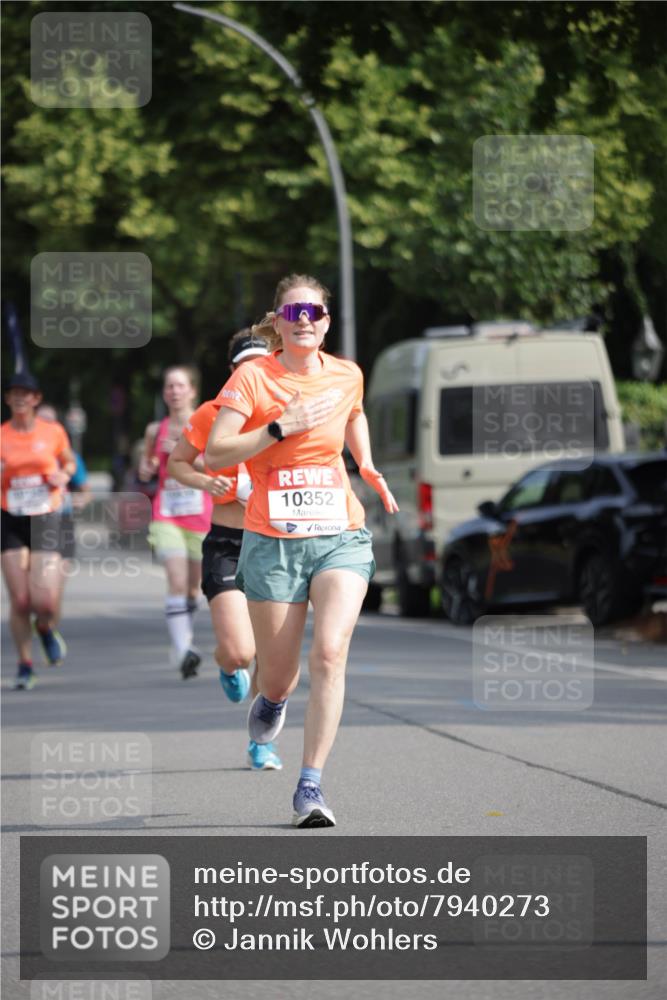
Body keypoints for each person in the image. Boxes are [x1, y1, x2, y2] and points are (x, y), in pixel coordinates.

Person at [205, 274, 398, 827]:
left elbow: (354, 411)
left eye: (314, 312)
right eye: (294, 313)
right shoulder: (252, 378)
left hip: (340, 534)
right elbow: (218, 452)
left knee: (331, 654)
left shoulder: (346, 374)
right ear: (279, 322)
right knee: (279, 676)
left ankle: (309, 787)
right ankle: (270, 701)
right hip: (273, 543)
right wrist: (278, 429)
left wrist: (367, 463)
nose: (305, 320)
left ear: (326, 321)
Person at [167, 330, 282, 770]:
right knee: (241, 651)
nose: (253, 372)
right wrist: (204, 480)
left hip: (274, 544)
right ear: (233, 371)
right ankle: (226, 664)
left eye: (261, 363)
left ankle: (261, 742)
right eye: (244, 366)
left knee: (272, 655)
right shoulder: (211, 414)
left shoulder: (283, 412)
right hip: (228, 544)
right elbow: (178, 462)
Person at [1, 373, 76, 689]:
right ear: (7, 400)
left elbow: (69, 463)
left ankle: (45, 628)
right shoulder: (2, 435)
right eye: (14, 393)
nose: (20, 398)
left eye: (26, 393)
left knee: (44, 602)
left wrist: (64, 474)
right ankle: (25, 664)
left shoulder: (53, 431)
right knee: (19, 600)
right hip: (10, 517)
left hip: (46, 516)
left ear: (36, 398)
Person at [138, 366, 212, 678]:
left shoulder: (207, 422)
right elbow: (146, 470)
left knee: (194, 589)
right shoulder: (155, 430)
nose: (174, 392)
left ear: (192, 391)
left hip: (201, 512)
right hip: (166, 512)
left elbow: (218, 465)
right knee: (177, 581)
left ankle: (185, 640)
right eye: (169, 386)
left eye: (180, 386)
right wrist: (148, 468)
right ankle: (182, 650)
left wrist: (184, 457)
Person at [36, 404, 92, 624]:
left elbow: (86, 491)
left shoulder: (70, 456)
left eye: (50, 421)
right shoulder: (20, 455)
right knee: (33, 587)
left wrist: (80, 500)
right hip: (29, 523)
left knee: (55, 587)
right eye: (41, 421)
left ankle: (49, 631)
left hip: (62, 521)